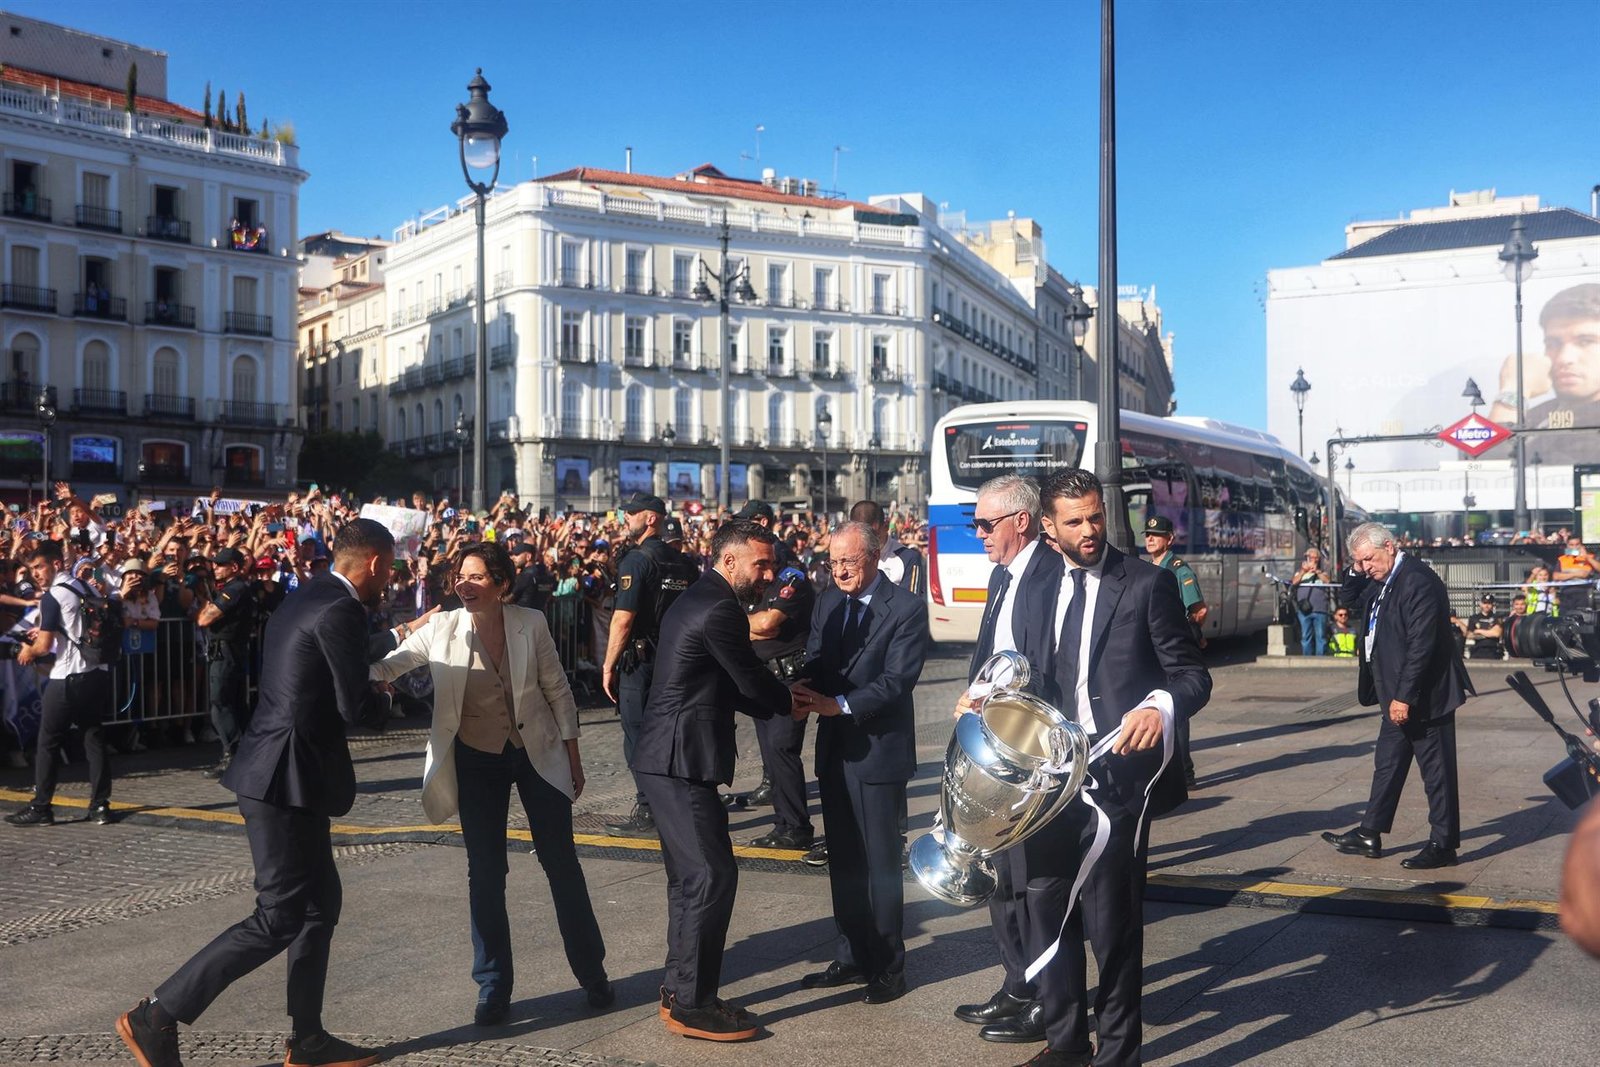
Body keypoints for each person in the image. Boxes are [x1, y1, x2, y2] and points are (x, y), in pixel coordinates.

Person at [117, 519, 398, 1067]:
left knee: (320, 905)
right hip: (281, 777)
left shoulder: (308, 595)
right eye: (388, 569)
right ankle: (156, 1015)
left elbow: (324, 662)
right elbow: (354, 707)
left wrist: (393, 640)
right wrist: (389, 690)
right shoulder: (341, 607)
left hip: (292, 773)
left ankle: (309, 1040)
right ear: (371, 563)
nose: (389, 580)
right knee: (279, 915)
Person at [1010, 467, 1211, 1067]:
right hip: (1047, 777)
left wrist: (1161, 705)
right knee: (1046, 906)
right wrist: (989, 692)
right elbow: (1025, 668)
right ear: (1049, 527)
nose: (1090, 529)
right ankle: (1066, 1042)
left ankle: (1119, 1053)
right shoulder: (1038, 588)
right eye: (1074, 521)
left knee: (1112, 920)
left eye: (1096, 515)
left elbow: (1191, 675)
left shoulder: (1146, 583)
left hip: (1118, 780)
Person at [368, 542, 611, 1026]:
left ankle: (592, 973)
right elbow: (385, 666)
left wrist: (573, 756)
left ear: (502, 584)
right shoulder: (441, 628)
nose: (465, 583)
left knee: (561, 863)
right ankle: (493, 986)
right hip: (477, 758)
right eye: (461, 576)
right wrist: (366, 664)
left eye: (478, 576)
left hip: (535, 753)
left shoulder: (531, 623)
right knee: (486, 872)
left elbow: (558, 689)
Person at [629, 520, 793, 1042]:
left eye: (771, 564)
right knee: (711, 876)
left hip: (670, 755)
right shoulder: (719, 607)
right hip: (679, 758)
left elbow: (722, 681)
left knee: (691, 878)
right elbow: (747, 677)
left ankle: (682, 990)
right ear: (729, 561)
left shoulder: (702, 596)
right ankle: (692, 1004)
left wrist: (781, 696)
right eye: (760, 564)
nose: (767, 575)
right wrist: (792, 699)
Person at [790, 521, 928, 1006]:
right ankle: (850, 954)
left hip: (878, 752)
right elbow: (815, 656)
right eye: (833, 562)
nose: (840, 571)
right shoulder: (827, 601)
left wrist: (839, 705)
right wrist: (798, 685)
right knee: (844, 859)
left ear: (873, 557)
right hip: (835, 751)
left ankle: (889, 964)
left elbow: (897, 681)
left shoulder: (906, 608)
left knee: (881, 862)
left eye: (849, 561)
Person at [948, 474, 1062, 1035]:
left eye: (986, 524)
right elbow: (995, 650)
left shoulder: (1050, 574)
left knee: (1031, 879)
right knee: (998, 871)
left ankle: (1047, 997)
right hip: (997, 741)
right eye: (975, 524)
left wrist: (993, 695)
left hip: (1032, 748)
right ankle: (1016, 985)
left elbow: (1046, 665)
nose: (978, 534)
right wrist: (976, 693)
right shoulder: (1003, 574)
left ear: (1021, 520)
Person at [1323, 521, 1473, 871]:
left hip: (1423, 696)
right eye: (1360, 562)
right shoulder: (1383, 578)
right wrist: (1355, 566)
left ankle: (1443, 843)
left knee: (1437, 773)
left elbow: (1422, 646)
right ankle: (1369, 832)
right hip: (1394, 693)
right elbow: (1347, 598)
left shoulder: (1417, 581)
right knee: (1387, 766)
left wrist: (1404, 697)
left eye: (1369, 559)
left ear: (1390, 546)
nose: (1365, 568)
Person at [603, 493, 697, 839]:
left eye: (632, 513)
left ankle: (648, 808)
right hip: (676, 659)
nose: (626, 519)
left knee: (638, 736)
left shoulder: (637, 560)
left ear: (652, 518)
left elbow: (623, 619)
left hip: (641, 663)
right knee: (671, 735)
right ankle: (676, 805)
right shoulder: (684, 563)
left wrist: (608, 665)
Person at [5, 541, 115, 827]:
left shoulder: (53, 596)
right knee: (94, 739)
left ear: (56, 563)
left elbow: (45, 645)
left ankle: (42, 807)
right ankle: (101, 806)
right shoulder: (86, 587)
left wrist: (28, 651)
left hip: (67, 678)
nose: (36, 574)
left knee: (48, 743)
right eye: (31, 570)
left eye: (40, 567)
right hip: (96, 672)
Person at [744, 538, 817, 849]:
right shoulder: (752, 587)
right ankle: (783, 823)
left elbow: (769, 624)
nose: (767, 573)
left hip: (789, 679)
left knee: (782, 751)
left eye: (770, 564)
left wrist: (734, 624)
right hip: (763, 679)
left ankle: (797, 826)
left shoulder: (792, 581)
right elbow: (751, 625)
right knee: (771, 755)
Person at [1489, 282, 1600, 464]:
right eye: (1553, 344)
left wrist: (1511, 393)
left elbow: (1491, 478)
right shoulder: (1537, 415)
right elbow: (1470, 473)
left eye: (1585, 342)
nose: (1564, 358)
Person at [1141, 514, 1208, 787]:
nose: (1150, 539)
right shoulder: (1148, 568)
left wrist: (1181, 631)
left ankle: (1185, 770)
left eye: (1156, 535)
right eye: (1147, 535)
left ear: (1169, 539)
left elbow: (1199, 610)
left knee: (1174, 707)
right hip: (1153, 648)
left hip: (1173, 650)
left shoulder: (1179, 569)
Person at [197, 547, 257, 780]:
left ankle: (232, 754)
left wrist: (206, 605)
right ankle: (240, 755)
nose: (215, 568)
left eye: (220, 565)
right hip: (230, 652)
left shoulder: (236, 589)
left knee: (221, 703)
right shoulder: (236, 588)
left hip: (227, 652)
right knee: (233, 704)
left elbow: (204, 618)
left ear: (234, 567)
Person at [850, 499, 926, 594]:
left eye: (873, 535)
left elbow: (911, 604)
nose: (868, 543)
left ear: (885, 527)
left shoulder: (908, 558)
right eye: (860, 537)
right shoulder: (843, 558)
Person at [1291, 547, 1333, 656]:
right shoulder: (1299, 572)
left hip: (1320, 608)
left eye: (1316, 558)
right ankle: (1307, 657)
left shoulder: (1323, 571)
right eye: (1311, 557)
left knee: (1321, 636)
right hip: (1304, 609)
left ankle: (1321, 658)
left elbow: (1327, 581)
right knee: (1306, 636)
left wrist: (1317, 572)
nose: (1314, 560)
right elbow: (1294, 582)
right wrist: (1303, 571)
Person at [1463, 594, 1505, 660]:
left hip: (1493, 649)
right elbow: (1469, 635)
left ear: (1493, 605)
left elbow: (1497, 634)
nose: (1487, 606)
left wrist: (1478, 631)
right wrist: (1489, 632)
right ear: (1481, 604)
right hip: (1478, 649)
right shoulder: (1474, 618)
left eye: (1489, 603)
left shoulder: (1497, 617)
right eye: (1485, 603)